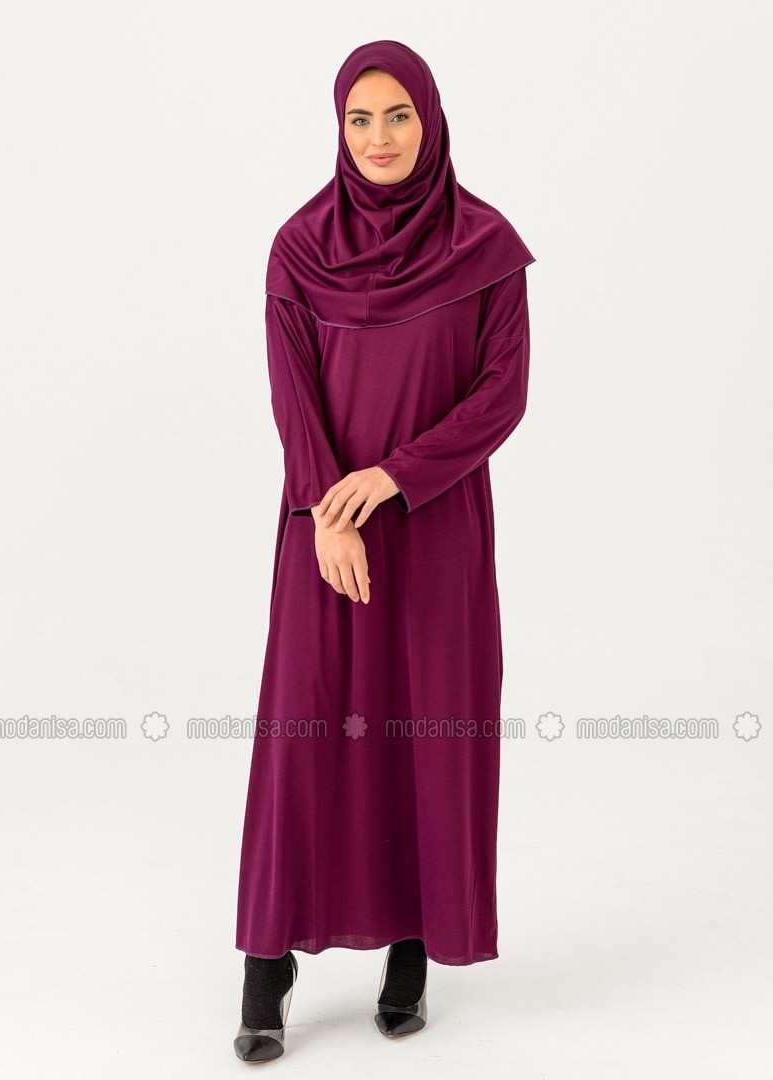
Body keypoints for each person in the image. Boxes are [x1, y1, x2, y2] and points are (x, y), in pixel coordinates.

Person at [233, 39, 535, 1062]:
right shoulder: (298, 250)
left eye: (397, 115)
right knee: (305, 738)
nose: (378, 137)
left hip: (435, 528)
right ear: (337, 127)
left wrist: (394, 477)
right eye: (359, 118)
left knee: (424, 733)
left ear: (430, 120)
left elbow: (500, 396)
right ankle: (266, 959)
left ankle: (411, 946)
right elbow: (292, 396)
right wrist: (329, 509)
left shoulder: (484, 248)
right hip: (324, 532)